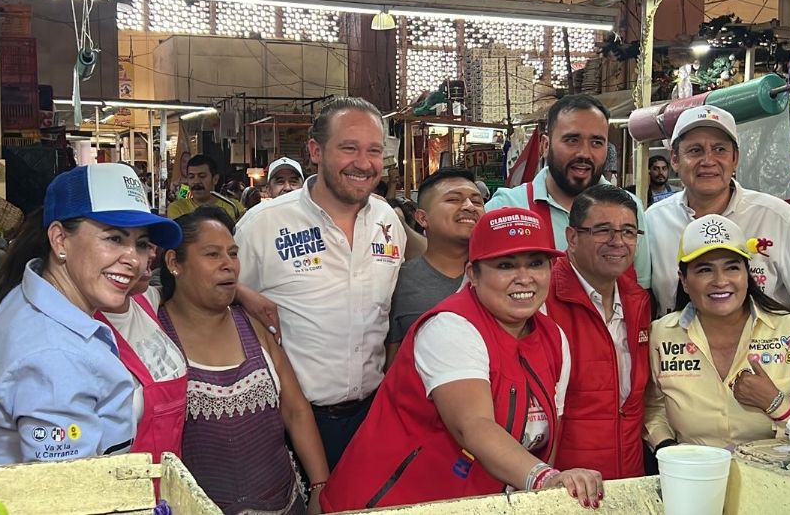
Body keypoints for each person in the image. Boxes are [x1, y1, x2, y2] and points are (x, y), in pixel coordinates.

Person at [320, 207, 602, 512]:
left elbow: (548, 433)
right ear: (473, 274)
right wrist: (543, 479)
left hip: (474, 502)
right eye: (506, 265)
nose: (525, 278)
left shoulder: (553, 337)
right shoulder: (450, 327)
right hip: (392, 501)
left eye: (536, 264)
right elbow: (473, 425)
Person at [0, 163, 182, 465]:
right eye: (114, 238)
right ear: (60, 240)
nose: (134, 260)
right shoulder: (56, 352)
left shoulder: (20, 301)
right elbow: (68, 494)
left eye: (140, 244)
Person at [235, 97, 406, 469]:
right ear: (315, 150)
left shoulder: (388, 221)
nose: (363, 163)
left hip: (371, 417)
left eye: (374, 150)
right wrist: (237, 291)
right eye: (349, 148)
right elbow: (218, 303)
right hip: (286, 423)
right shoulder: (262, 225)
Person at [646, 105, 790, 360]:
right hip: (680, 372)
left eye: (720, 149)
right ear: (675, 159)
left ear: (735, 158)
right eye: (695, 150)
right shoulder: (654, 222)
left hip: (768, 375)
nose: (708, 160)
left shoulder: (777, 217)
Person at [160, 207, 328, 514]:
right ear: (174, 262)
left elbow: (295, 409)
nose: (229, 265)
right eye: (212, 255)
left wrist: (320, 485)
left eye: (233, 254)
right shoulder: (154, 330)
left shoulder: (252, 325)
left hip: (283, 503)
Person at [645, 214, 790, 450]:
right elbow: (652, 407)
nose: (720, 281)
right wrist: (667, 449)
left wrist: (776, 402)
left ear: (747, 275)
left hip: (780, 478)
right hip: (694, 476)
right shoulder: (661, 334)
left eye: (732, 267)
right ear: (684, 281)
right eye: (704, 270)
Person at [487, 95, 651, 289]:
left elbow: (640, 290)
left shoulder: (630, 209)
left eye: (597, 142)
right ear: (545, 145)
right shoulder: (507, 208)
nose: (584, 153)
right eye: (572, 140)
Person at [543, 184, 651, 479]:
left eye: (628, 231)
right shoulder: (542, 299)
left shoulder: (638, 301)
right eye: (603, 230)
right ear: (572, 237)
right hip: (565, 486)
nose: (618, 242)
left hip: (627, 478)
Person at [94, 245, 188, 463]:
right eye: (118, 240)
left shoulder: (145, 299)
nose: (151, 253)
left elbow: (188, 289)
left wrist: (244, 294)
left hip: (167, 482)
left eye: (146, 242)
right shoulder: (84, 330)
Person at [386, 168, 484, 367]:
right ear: (422, 218)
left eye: (477, 201)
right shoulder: (397, 282)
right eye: (454, 199)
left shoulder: (498, 276)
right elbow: (393, 363)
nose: (469, 206)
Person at [167, 155, 244, 221]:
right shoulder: (177, 208)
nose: (196, 181)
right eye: (191, 177)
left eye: (202, 176)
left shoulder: (234, 207)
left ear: (215, 179)